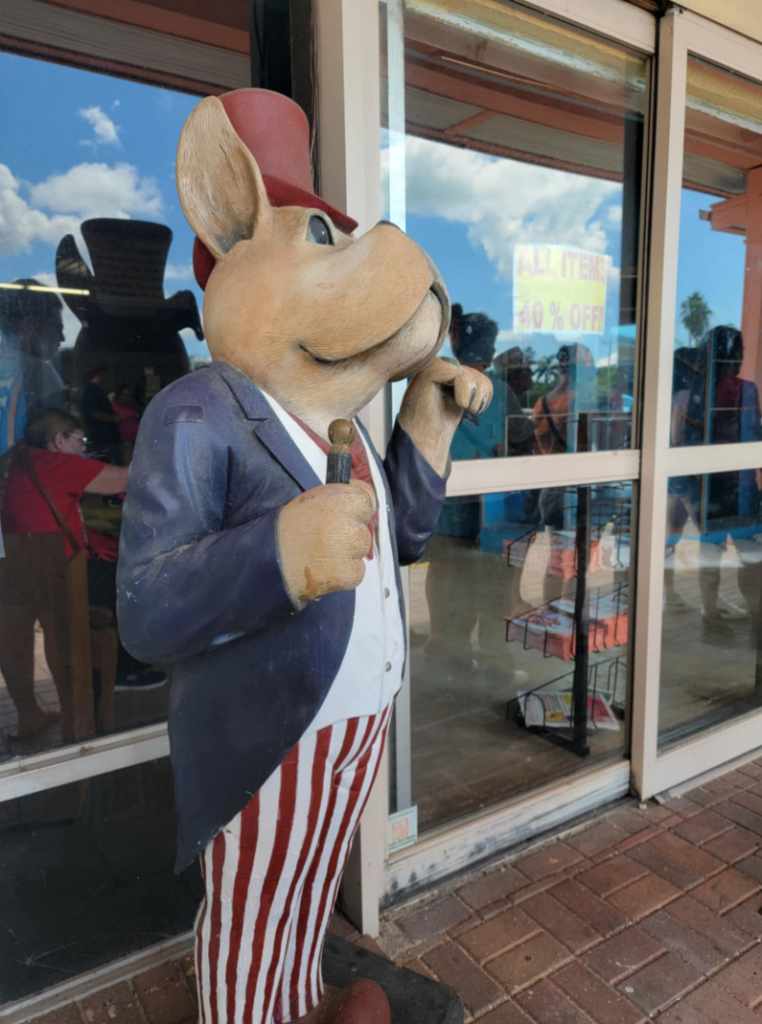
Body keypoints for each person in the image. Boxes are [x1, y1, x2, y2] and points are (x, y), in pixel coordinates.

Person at [1, 408, 165, 696]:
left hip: (26, 570)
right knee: (131, 583)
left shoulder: (22, 457)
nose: (84, 447)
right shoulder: (57, 463)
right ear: (60, 440)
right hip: (60, 572)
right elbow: (127, 478)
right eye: (80, 439)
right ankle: (121, 672)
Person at [677, 327, 762, 640]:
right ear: (736, 355)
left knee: (709, 555)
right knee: (750, 559)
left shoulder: (693, 394)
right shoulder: (746, 390)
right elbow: (754, 434)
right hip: (742, 489)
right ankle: (756, 619)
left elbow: (684, 441)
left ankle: (710, 616)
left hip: (706, 487)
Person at [0, 277, 66, 417]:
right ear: (30, 325)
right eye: (57, 328)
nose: (62, 338)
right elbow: (58, 432)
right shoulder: (40, 372)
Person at [77, 365, 122, 458]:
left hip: (100, 435)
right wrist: (113, 418)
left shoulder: (88, 389)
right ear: (102, 373)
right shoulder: (92, 390)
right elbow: (94, 412)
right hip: (102, 436)